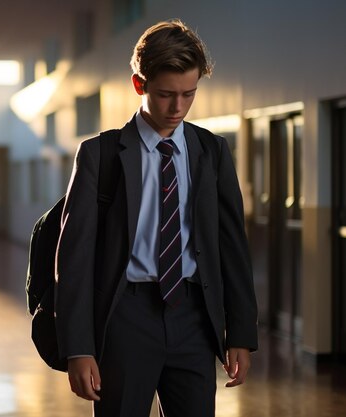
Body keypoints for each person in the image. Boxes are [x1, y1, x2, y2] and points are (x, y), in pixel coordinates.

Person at [54, 19, 258, 417]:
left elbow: (233, 247)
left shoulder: (212, 152)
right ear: (139, 85)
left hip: (195, 317)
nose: (177, 107)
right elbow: (73, 260)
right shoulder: (101, 156)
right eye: (166, 94)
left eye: (189, 94)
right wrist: (79, 348)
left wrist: (242, 335)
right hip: (125, 316)